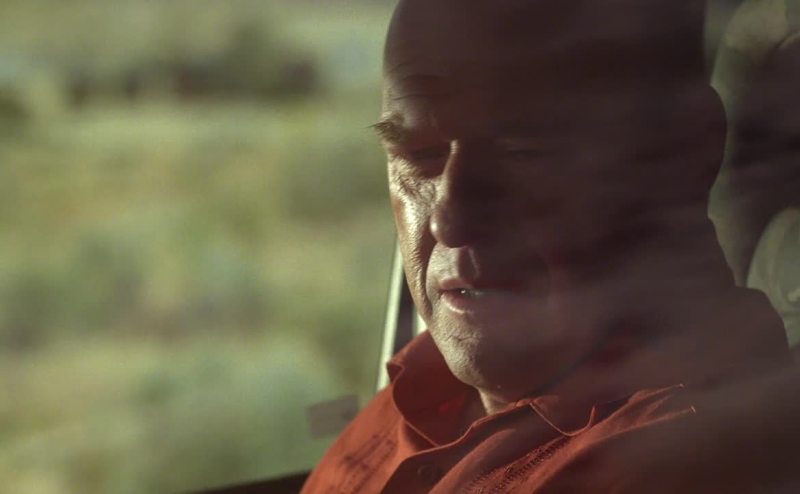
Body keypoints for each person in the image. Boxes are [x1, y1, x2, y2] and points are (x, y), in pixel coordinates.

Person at [302, 1, 796, 492]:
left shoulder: (693, 459)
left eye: (524, 151)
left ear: (687, 152)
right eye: (421, 155)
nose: (450, 221)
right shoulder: (425, 384)